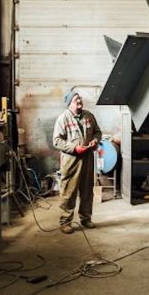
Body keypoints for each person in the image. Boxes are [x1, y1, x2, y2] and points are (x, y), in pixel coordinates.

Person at [52, 91, 102, 234]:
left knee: (87, 190)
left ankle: (86, 218)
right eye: (76, 101)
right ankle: (65, 222)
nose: (80, 103)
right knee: (69, 191)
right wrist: (74, 148)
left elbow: (98, 132)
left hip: (87, 158)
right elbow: (56, 141)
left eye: (80, 100)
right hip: (71, 160)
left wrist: (95, 141)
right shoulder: (63, 119)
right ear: (69, 104)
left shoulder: (88, 116)